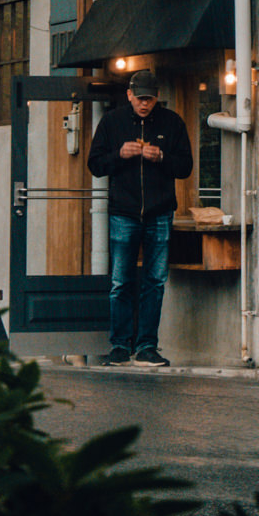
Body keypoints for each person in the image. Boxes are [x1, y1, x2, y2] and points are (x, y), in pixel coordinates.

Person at [88, 69, 194, 367]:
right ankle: (120, 346)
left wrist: (161, 158)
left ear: (157, 97)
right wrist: (120, 154)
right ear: (129, 95)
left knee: (155, 281)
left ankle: (147, 346)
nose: (144, 104)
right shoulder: (112, 122)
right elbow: (95, 164)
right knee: (121, 281)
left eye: (149, 99)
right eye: (139, 99)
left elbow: (185, 167)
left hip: (160, 212)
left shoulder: (171, 122)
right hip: (124, 212)